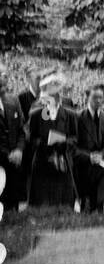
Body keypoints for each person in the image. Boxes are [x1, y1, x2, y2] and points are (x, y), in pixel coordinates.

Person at [24, 72, 79, 209]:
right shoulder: (37, 111)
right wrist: (46, 144)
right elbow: (31, 137)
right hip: (43, 161)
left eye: (57, 88)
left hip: (63, 160)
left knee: (64, 204)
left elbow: (75, 137)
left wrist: (63, 143)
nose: (55, 94)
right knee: (42, 205)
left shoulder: (69, 113)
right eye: (51, 88)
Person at [74, 83, 104, 212]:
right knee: (86, 206)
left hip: (102, 167)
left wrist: (102, 155)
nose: (98, 101)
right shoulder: (78, 117)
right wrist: (89, 157)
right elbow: (73, 146)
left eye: (101, 97)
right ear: (87, 97)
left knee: (100, 206)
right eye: (95, 97)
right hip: (84, 167)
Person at [0, 69, 27, 209]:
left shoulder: (13, 100)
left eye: (5, 75)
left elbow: (22, 130)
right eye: (0, 75)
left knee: (13, 207)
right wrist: (7, 155)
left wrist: (19, 150)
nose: (4, 78)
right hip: (2, 162)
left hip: (15, 163)